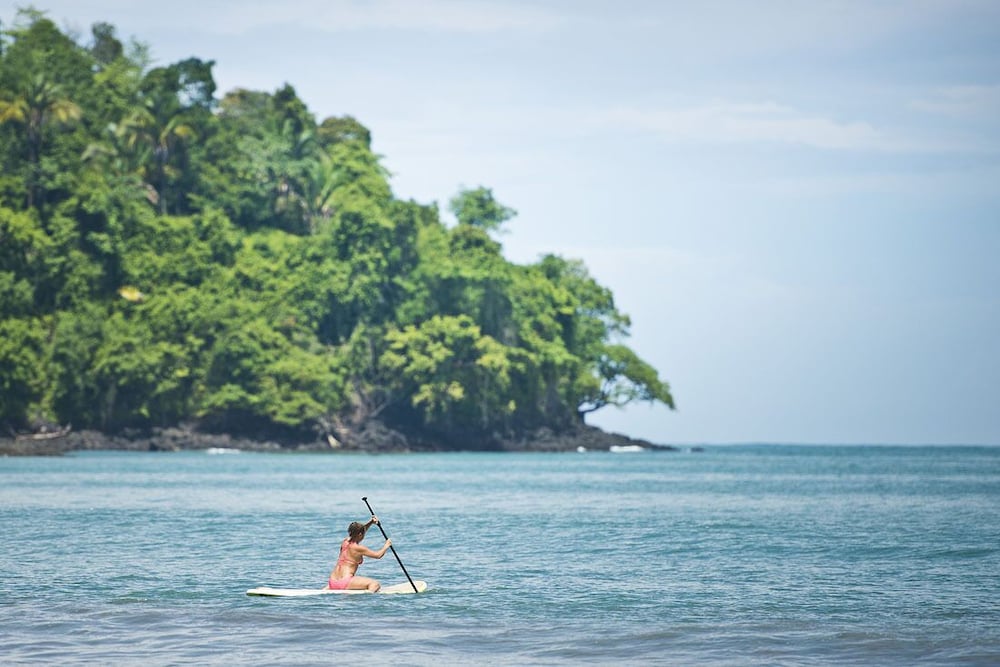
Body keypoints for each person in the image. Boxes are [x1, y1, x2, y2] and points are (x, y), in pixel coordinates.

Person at [325, 515, 392, 592]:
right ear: (360, 534)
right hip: (344, 582)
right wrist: (386, 546)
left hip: (332, 582)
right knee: (375, 584)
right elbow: (378, 555)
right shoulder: (358, 548)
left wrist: (370, 522)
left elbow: (359, 531)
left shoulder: (345, 542)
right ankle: (367, 595)